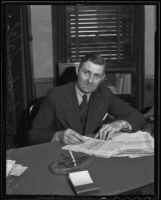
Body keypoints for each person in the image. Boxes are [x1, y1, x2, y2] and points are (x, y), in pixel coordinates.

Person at [28, 53, 145, 145]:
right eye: (86, 73)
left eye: (96, 76)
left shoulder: (104, 94)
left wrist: (120, 124)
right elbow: (34, 136)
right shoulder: (55, 95)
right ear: (77, 70)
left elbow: (138, 117)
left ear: (102, 78)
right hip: (62, 155)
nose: (90, 81)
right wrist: (58, 136)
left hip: (93, 155)